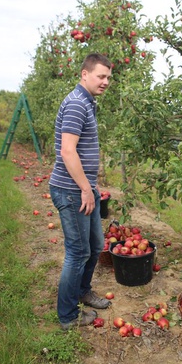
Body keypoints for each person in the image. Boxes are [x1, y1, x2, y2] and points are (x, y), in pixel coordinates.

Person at [49, 53, 113, 330]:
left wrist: (92, 186)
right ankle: (67, 317)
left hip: (85, 189)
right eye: (101, 76)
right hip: (72, 191)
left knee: (96, 246)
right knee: (77, 252)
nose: (106, 81)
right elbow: (67, 150)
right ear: (84, 74)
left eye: (109, 77)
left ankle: (82, 291)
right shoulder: (77, 104)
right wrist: (86, 188)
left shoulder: (87, 103)